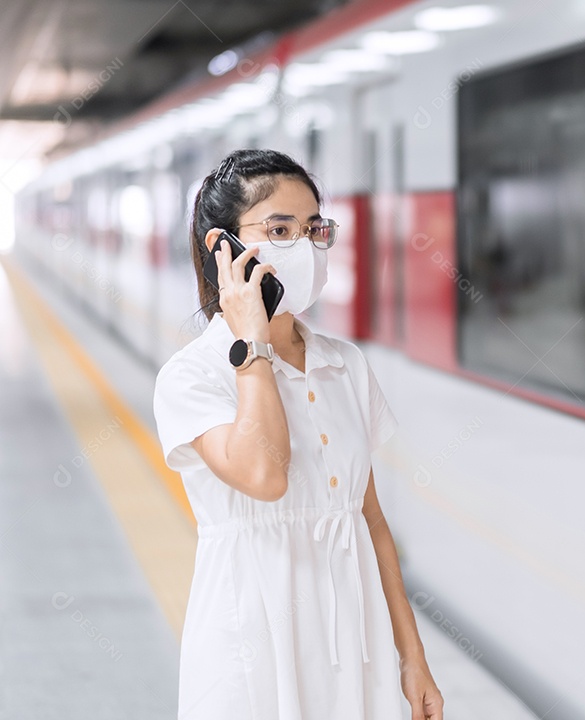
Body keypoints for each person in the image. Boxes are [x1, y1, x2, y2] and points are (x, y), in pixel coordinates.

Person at [152, 148, 443, 720]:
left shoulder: (345, 364)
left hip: (354, 645)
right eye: (279, 229)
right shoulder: (193, 376)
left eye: (314, 229)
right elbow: (264, 476)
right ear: (224, 249)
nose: (305, 247)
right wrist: (253, 346)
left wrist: (412, 657)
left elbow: (372, 521)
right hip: (251, 642)